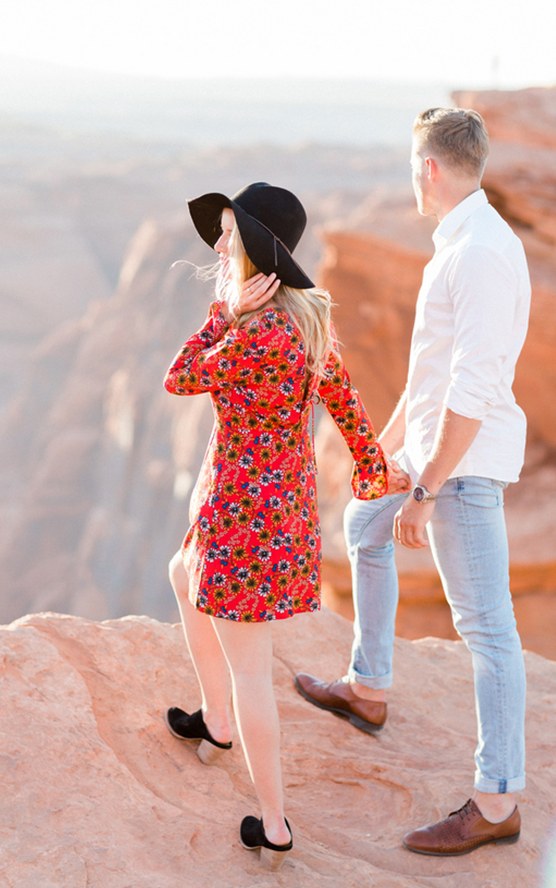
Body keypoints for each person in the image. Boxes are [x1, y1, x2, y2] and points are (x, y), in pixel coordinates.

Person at [294, 108, 531, 856]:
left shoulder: (482, 253)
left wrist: (425, 489)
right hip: (432, 451)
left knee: (489, 632)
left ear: (429, 168)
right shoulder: (457, 244)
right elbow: (428, 376)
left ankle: (496, 803)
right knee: (363, 526)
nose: (412, 182)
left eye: (411, 169)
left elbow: (472, 388)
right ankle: (369, 688)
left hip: (460, 468)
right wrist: (378, 453)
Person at [163, 182, 406, 870]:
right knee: (182, 576)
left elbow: (178, 378)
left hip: (243, 520)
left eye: (229, 235)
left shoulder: (257, 330)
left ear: (256, 250)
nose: (217, 245)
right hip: (278, 515)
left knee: (251, 671)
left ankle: (273, 821)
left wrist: (220, 316)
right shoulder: (305, 323)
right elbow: (350, 411)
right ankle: (213, 723)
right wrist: (371, 473)